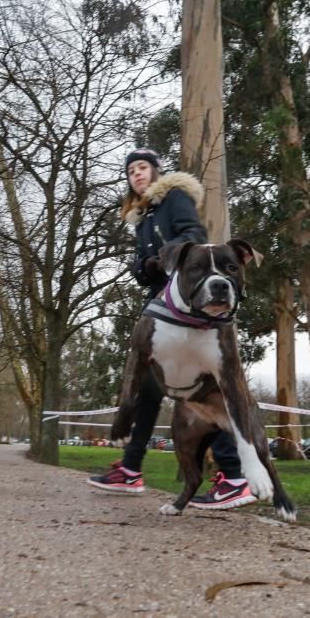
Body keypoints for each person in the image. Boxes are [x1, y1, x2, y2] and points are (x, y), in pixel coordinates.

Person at [87, 149, 256, 510]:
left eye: (142, 168)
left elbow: (193, 236)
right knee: (148, 384)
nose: (136, 175)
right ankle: (131, 469)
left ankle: (234, 476)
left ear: (155, 171)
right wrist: (145, 266)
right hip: (161, 303)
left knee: (206, 385)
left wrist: (164, 261)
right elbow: (140, 267)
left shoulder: (172, 199)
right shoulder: (144, 215)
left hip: (186, 303)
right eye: (131, 170)